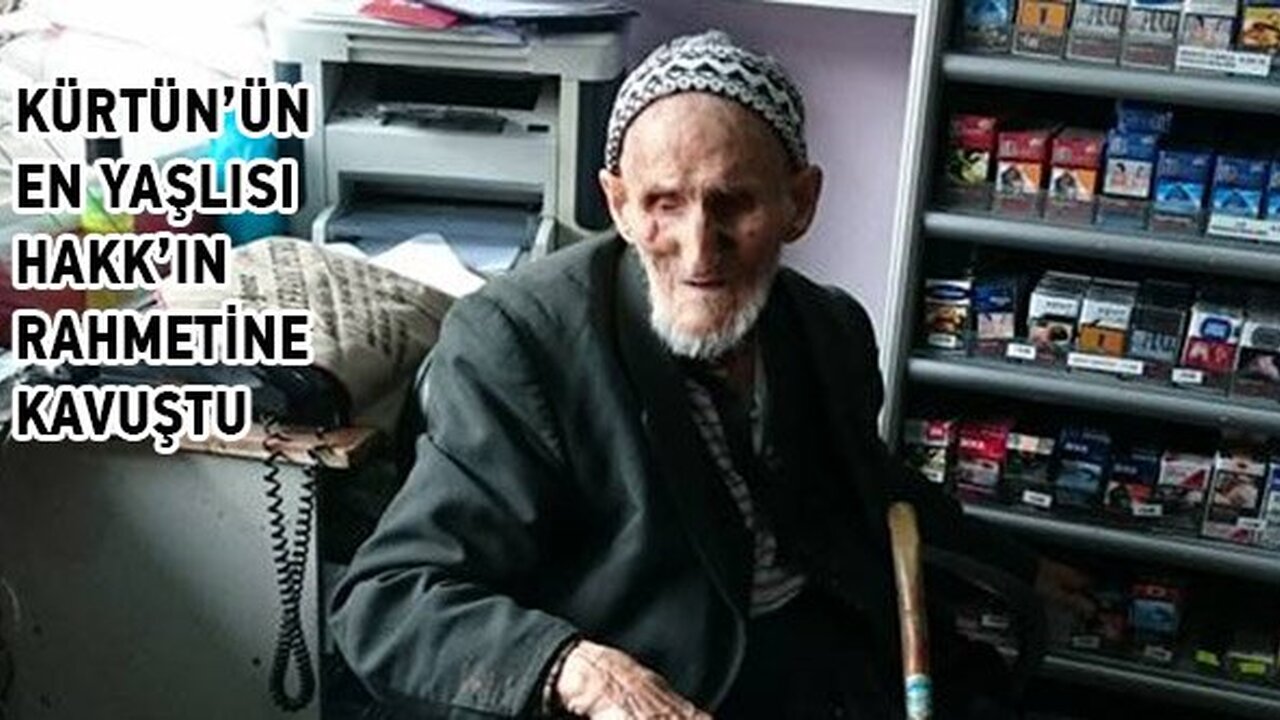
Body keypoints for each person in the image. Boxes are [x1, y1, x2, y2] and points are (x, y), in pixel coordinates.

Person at [329, 30, 1091, 719]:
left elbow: (868, 486)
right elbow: (388, 600)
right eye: (664, 204)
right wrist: (579, 671)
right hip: (668, 684)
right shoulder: (520, 344)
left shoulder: (827, 327)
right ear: (618, 205)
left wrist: (1015, 563)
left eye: (735, 205)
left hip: (833, 667)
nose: (698, 251)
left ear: (800, 202)